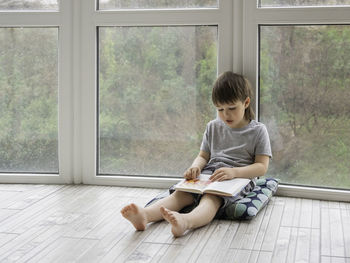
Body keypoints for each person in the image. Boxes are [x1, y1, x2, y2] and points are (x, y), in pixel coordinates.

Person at [121, 71, 272, 237]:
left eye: (231, 108)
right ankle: (145, 215)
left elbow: (261, 167)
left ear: (246, 103)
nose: (225, 114)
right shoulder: (213, 126)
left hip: (238, 178)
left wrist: (234, 172)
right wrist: (195, 167)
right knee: (182, 194)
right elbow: (203, 156)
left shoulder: (258, 131)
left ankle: (186, 221)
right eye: (220, 109)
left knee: (211, 199)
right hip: (209, 174)